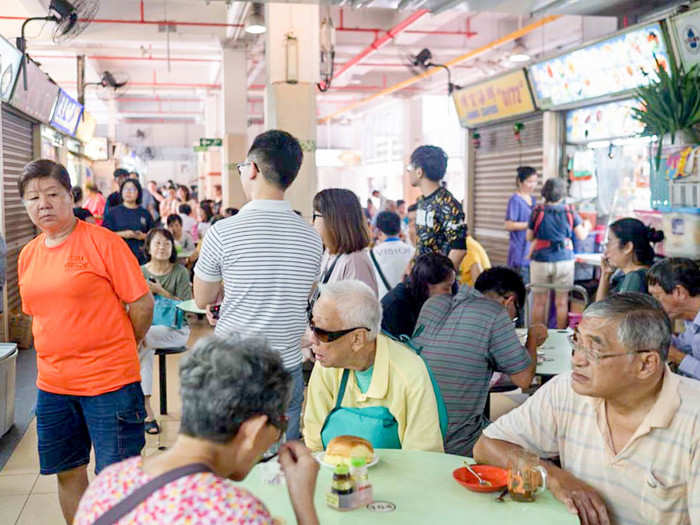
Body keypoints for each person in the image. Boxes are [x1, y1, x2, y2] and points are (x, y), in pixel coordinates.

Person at [474, 293, 700, 525]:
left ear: (646, 364)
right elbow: (486, 446)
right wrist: (554, 476)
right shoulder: (568, 391)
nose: (577, 360)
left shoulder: (693, 420)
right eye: (576, 342)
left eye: (593, 350)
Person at [17, 159, 154, 524]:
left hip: (110, 383)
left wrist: (129, 340)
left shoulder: (103, 243)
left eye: (52, 194)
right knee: (68, 471)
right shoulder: (28, 255)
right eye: (32, 197)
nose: (42, 204)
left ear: (70, 195)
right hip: (53, 387)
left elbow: (141, 303)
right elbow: (39, 314)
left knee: (116, 479)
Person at [74, 336, 321, 525]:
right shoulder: (236, 513)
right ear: (253, 430)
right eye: (280, 425)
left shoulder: (109, 482)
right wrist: (303, 500)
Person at [194, 130, 322, 441]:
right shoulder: (312, 239)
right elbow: (300, 296)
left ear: (252, 169)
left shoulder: (223, 232)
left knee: (233, 463)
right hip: (286, 369)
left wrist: (223, 299)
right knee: (280, 467)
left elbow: (202, 298)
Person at [413, 265, 544, 456]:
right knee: (534, 446)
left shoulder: (433, 304)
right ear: (510, 301)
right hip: (457, 441)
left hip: (414, 436)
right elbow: (523, 380)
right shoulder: (495, 313)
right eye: (514, 317)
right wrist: (532, 339)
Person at [304, 280, 444, 453]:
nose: (311, 339)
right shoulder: (326, 366)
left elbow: (423, 456)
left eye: (322, 333)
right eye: (312, 326)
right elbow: (313, 443)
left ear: (357, 339)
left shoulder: (410, 373)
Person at [140, 228, 192, 434]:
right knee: (144, 346)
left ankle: (140, 407)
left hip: (176, 330)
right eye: (158, 243)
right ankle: (146, 409)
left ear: (172, 248)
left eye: (167, 244)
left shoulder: (180, 271)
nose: (162, 248)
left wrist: (161, 292)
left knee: (140, 340)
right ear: (149, 247)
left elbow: (187, 306)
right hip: (147, 331)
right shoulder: (139, 271)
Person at [527, 177, 590, 328]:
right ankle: (561, 336)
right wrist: (587, 225)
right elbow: (581, 235)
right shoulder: (569, 211)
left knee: (539, 302)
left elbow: (529, 237)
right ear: (562, 194)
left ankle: (537, 340)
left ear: (544, 193)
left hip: (541, 260)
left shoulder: (537, 211)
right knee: (561, 303)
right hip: (564, 261)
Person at [407, 145, 467, 269]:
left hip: (435, 282)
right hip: (421, 276)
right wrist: (411, 265)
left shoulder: (447, 203)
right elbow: (423, 243)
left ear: (419, 172)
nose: (408, 172)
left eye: (409, 168)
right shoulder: (422, 201)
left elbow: (459, 250)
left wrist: (441, 282)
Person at [312, 188, 378, 296]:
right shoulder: (329, 253)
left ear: (332, 220)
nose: (312, 222)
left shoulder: (355, 262)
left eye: (315, 216)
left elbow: (359, 311)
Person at [381, 253, 455, 339]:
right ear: (427, 285)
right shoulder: (397, 306)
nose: (450, 293)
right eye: (446, 288)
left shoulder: (420, 296)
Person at [648, 257, 700, 380]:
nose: (655, 304)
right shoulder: (687, 320)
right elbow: (685, 345)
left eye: (657, 296)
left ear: (679, 292)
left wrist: (677, 356)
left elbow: (678, 353)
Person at [595, 218, 664, 301]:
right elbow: (599, 310)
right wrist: (605, 275)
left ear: (628, 247)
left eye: (609, 242)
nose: (606, 251)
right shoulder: (633, 275)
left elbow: (601, 313)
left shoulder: (635, 278)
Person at [103, 179, 155, 264]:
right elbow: (104, 234)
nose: (128, 192)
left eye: (132, 189)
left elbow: (153, 235)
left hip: (140, 258)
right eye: (125, 189)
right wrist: (123, 234)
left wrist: (142, 236)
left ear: (138, 193)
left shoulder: (145, 213)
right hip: (117, 257)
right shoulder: (113, 212)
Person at [505, 166, 538, 283]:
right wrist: (529, 225)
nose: (532, 185)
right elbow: (508, 225)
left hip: (531, 253)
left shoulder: (533, 200)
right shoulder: (515, 200)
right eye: (529, 181)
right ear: (520, 181)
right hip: (519, 253)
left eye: (535, 181)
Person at [370, 211, 413, 299]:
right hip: (409, 306)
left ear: (378, 230)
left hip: (383, 306)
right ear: (399, 229)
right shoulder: (413, 252)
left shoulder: (370, 254)